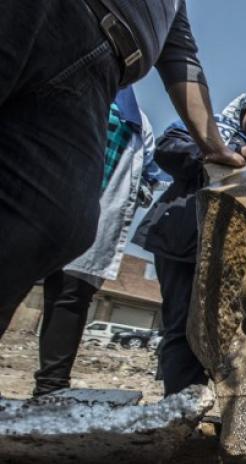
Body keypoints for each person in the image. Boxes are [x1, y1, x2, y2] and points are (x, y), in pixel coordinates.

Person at [0, 0, 244, 340]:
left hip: (102, 69)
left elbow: (181, 59)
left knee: (57, 222)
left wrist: (214, 146)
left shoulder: (173, 7)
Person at [133, 83, 246, 396]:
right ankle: (181, 405)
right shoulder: (208, 131)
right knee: (180, 325)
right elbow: (167, 150)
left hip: (231, 256)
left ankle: (216, 404)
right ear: (243, 109)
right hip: (183, 242)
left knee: (225, 330)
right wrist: (227, 155)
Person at [32, 87, 161, 397]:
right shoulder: (63, 82)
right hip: (42, 196)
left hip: (95, 212)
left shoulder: (137, 121)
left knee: (70, 297)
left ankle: (51, 388)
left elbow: (148, 173)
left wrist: (139, 190)